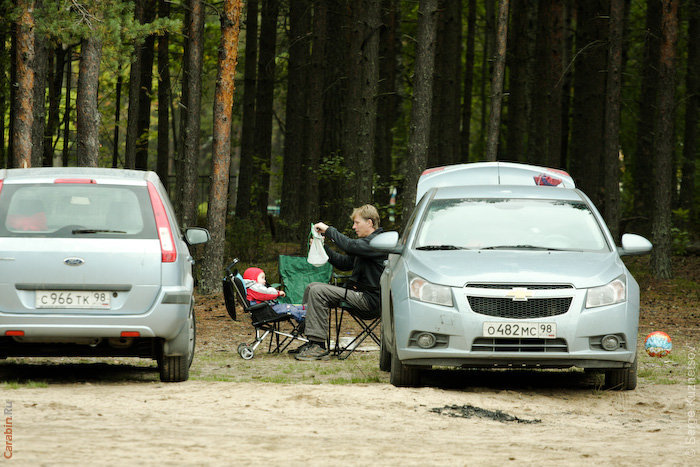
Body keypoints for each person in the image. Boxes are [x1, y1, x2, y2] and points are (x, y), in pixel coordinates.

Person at [293, 204, 388, 361]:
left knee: (318, 291)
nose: (354, 227)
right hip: (358, 294)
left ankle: (318, 346)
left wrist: (329, 230)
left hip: (370, 300)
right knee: (312, 287)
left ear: (369, 223)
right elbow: (344, 263)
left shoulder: (378, 243)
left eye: (357, 223)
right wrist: (323, 247)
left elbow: (349, 245)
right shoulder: (365, 244)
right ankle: (311, 341)